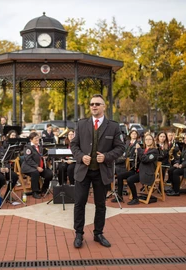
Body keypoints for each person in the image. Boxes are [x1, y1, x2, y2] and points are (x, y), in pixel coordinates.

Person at [70, 94, 125, 248]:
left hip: (102, 172)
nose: (94, 106)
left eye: (97, 104)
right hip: (83, 171)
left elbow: (120, 148)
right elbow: (74, 145)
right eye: (91, 104)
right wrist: (81, 157)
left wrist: (107, 157)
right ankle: (79, 234)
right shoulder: (81, 124)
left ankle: (98, 233)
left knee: (100, 204)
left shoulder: (113, 126)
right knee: (79, 203)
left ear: (104, 106)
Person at [125, 134, 158, 205]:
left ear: (153, 141)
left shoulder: (154, 151)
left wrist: (139, 150)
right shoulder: (144, 150)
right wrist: (136, 153)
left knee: (130, 180)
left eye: (150, 139)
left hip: (147, 173)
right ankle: (120, 196)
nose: (148, 141)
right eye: (146, 139)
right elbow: (139, 159)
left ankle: (135, 198)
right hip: (139, 171)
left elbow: (144, 159)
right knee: (122, 175)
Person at [21, 132, 53, 199]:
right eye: (35, 138)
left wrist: (45, 157)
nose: (37, 139)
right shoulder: (28, 147)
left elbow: (41, 154)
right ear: (31, 140)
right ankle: (35, 192)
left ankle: (44, 189)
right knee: (35, 172)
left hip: (40, 166)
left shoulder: (40, 146)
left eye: (38, 138)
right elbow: (28, 159)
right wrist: (36, 167)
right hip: (29, 167)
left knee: (49, 174)